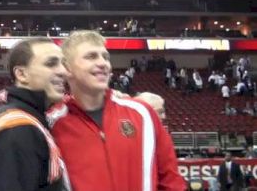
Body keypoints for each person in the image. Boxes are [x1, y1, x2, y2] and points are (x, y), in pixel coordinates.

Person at [47, 30, 185, 191]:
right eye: (91, 57)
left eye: (105, 57)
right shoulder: (52, 124)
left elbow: (171, 179)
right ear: (67, 68)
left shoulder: (143, 113)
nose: (102, 63)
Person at [0, 38, 70, 191]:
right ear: (22, 74)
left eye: (63, 63)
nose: (64, 71)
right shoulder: (17, 129)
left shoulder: (30, 120)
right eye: (51, 64)